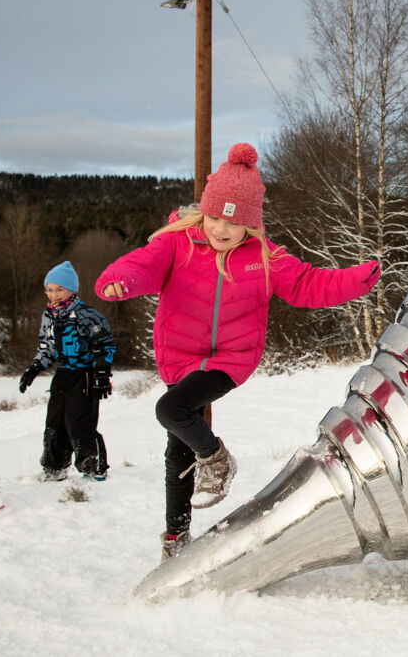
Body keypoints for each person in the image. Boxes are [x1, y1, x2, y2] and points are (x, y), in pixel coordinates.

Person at [95, 142, 380, 560]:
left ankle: (217, 459)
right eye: (213, 218)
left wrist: (355, 281)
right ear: (203, 212)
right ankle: (176, 539)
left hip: (230, 359)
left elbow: (307, 284)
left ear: (250, 223)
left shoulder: (264, 257)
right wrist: (120, 282)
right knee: (177, 445)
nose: (220, 230)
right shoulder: (178, 244)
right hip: (180, 357)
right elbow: (140, 266)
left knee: (170, 412)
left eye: (232, 223)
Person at [19, 261, 116, 482]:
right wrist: (33, 369)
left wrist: (101, 374)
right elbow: (47, 347)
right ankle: (55, 467)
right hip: (62, 374)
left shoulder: (85, 314)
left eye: (59, 289)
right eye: (50, 289)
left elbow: (104, 344)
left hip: (85, 375)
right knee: (55, 422)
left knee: (80, 422)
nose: (54, 294)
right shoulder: (49, 316)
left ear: (72, 289)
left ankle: (93, 466)